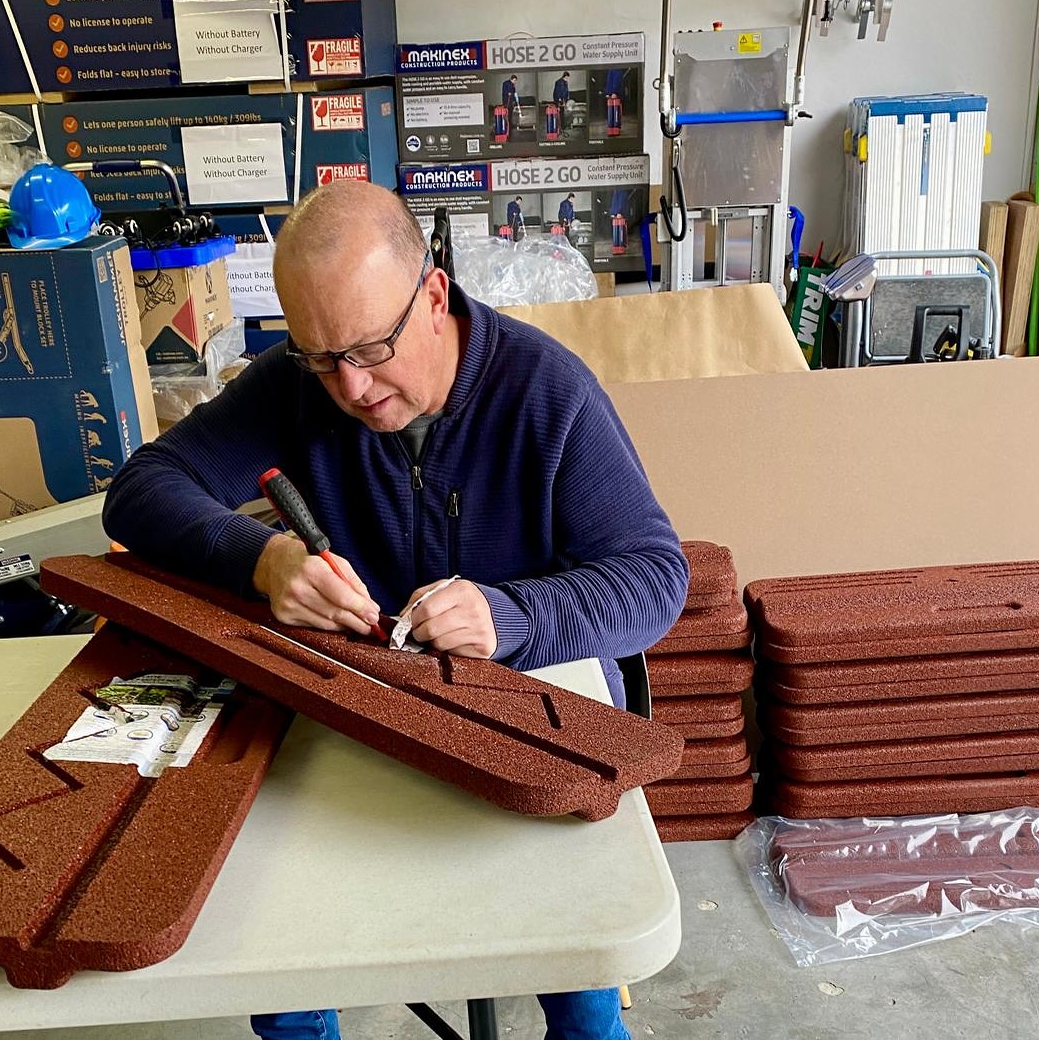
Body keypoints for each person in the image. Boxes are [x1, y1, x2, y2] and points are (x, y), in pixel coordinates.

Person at [101, 180, 688, 1040]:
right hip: (353, 721)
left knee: (582, 970)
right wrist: (260, 557)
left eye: (373, 347)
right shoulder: (295, 386)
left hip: (527, 728)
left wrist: (512, 614)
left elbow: (654, 577)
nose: (352, 385)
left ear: (436, 294)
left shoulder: (547, 394)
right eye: (320, 356)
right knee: (281, 949)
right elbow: (141, 491)